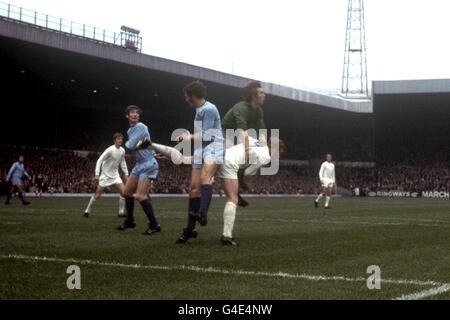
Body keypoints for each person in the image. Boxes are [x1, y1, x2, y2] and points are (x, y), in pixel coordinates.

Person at [175, 80, 224, 244]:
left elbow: (208, 135)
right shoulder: (198, 110)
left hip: (213, 145)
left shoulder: (209, 109)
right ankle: (190, 229)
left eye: (186, 96)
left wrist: (188, 136)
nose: (185, 99)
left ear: (193, 95)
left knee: (205, 178)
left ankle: (203, 213)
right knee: (193, 189)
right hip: (200, 148)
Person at [217, 137, 285, 246]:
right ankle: (226, 235)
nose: (277, 156)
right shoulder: (266, 157)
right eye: (279, 153)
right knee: (232, 199)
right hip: (230, 163)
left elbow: (245, 137)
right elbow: (247, 172)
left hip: (223, 154)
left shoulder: (257, 142)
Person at [221, 81, 267, 207]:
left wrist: (263, 142)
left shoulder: (258, 111)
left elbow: (261, 129)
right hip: (225, 132)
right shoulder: (241, 108)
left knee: (252, 154)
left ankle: (239, 183)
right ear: (254, 97)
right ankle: (234, 192)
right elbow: (243, 131)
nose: (265, 95)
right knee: (232, 159)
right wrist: (247, 150)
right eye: (261, 93)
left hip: (238, 134)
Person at [117, 105, 161, 235]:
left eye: (137, 113)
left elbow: (130, 145)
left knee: (141, 196)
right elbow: (144, 144)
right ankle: (130, 220)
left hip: (148, 164)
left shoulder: (141, 127)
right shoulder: (130, 131)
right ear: (127, 116)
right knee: (126, 192)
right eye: (132, 112)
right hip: (139, 164)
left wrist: (128, 144)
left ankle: (154, 225)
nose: (135, 114)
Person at [83, 133, 129, 218]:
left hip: (115, 176)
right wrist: (97, 174)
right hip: (105, 176)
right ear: (114, 140)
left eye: (121, 139)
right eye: (119, 139)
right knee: (97, 195)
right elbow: (99, 160)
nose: (121, 140)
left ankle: (121, 213)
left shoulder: (122, 150)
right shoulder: (109, 150)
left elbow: (123, 162)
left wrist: (126, 173)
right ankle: (87, 211)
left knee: (124, 193)